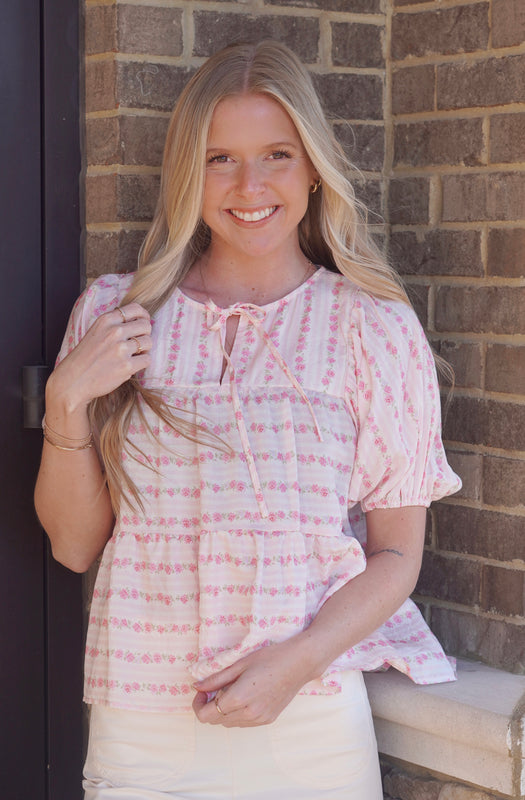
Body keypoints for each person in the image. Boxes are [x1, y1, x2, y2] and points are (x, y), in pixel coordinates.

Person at [35, 40, 461, 800]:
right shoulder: (114, 313)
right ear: (185, 172)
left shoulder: (371, 326)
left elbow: (397, 555)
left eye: (275, 154)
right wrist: (66, 401)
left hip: (309, 724)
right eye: (219, 158)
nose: (249, 184)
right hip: (142, 727)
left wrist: (296, 662)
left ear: (312, 167)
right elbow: (74, 546)